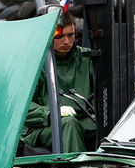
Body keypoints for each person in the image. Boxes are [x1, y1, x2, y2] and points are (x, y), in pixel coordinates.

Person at [21, 11, 95, 153]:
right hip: (43, 126)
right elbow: (21, 106)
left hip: (84, 122)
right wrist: (51, 113)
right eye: (59, 36)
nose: (66, 41)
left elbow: (109, 73)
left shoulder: (86, 57)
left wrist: (130, 84)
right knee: (69, 124)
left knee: (113, 127)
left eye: (70, 35)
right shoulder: (35, 63)